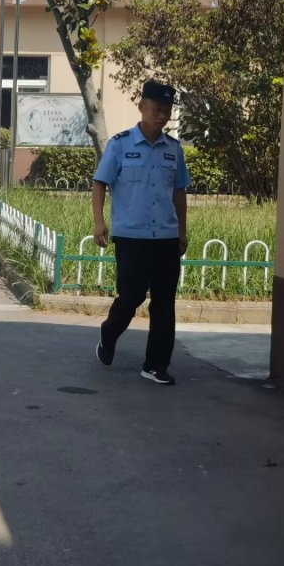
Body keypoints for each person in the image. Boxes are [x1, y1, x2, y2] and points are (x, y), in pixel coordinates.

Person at [92, 80, 191, 386]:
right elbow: (100, 183)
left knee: (164, 303)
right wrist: (99, 222)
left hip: (165, 237)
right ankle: (109, 333)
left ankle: (155, 365)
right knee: (131, 297)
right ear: (142, 107)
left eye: (167, 110)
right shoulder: (120, 145)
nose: (162, 115)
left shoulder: (173, 149)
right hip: (131, 237)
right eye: (157, 109)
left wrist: (182, 231)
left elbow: (179, 192)